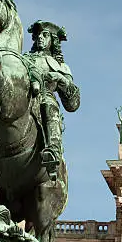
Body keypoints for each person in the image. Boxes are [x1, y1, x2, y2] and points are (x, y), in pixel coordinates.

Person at [25, 21, 80, 180]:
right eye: (38, 35)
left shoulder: (60, 66)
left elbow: (73, 104)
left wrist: (60, 79)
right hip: (22, 96)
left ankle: (53, 150)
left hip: (44, 97)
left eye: (45, 35)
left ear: (53, 40)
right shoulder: (23, 58)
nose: (40, 38)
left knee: (49, 106)